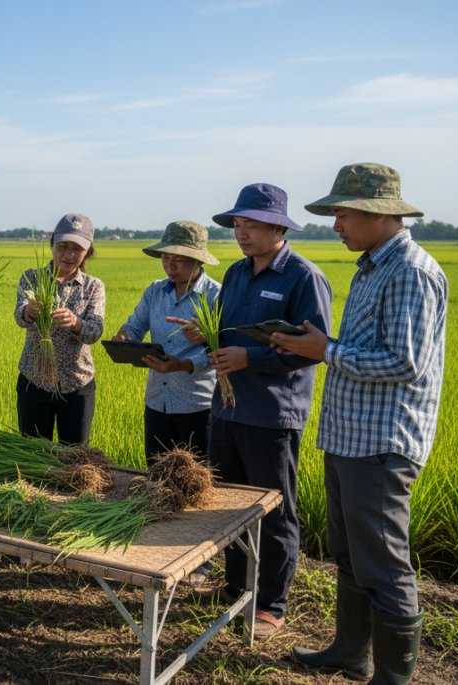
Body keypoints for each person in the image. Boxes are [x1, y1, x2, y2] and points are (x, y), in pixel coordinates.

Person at [276, 164, 446, 684]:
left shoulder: (410, 272)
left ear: (378, 213)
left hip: (382, 443)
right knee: (349, 552)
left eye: (342, 214)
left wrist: (323, 349)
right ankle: (351, 653)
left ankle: (393, 678)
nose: (335, 225)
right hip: (350, 436)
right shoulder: (373, 266)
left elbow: (404, 361)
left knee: (385, 564)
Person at [172, 183, 332, 638]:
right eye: (238, 224)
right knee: (232, 505)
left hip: (271, 415)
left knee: (274, 511)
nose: (241, 233)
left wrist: (251, 358)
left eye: (251, 224)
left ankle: (271, 605)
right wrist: (206, 335)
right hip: (226, 408)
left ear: (278, 226)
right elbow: (226, 332)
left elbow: (313, 349)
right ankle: (236, 585)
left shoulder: (303, 277)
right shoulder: (239, 275)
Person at [113, 220, 222, 466]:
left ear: (198, 260)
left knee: (196, 482)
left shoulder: (216, 295)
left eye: (180, 259)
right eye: (165, 258)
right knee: (158, 478)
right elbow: (135, 325)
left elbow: (219, 351)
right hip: (157, 401)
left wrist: (183, 364)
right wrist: (125, 336)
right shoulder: (155, 291)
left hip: (197, 405)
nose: (170, 266)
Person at [15, 213, 105, 445]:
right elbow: (20, 316)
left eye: (77, 249)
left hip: (77, 383)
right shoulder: (32, 278)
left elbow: (95, 331)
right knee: (33, 453)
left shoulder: (93, 286)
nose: (69, 255)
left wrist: (76, 323)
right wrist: (30, 311)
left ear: (87, 252)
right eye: (63, 246)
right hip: (34, 378)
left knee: (74, 457)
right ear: (52, 244)